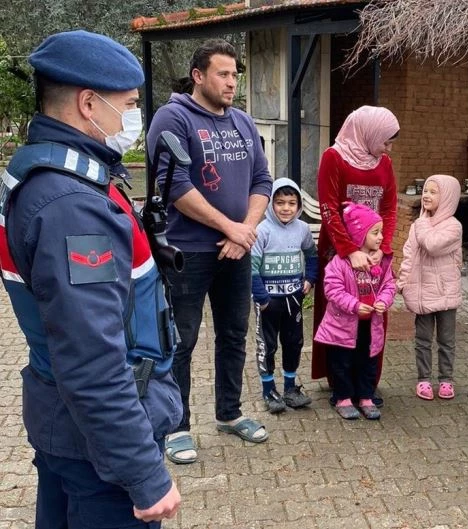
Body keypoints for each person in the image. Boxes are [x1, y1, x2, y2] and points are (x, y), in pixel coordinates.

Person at [0, 30, 182, 526]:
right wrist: (143, 473)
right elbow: (92, 357)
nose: (133, 117)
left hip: (72, 432)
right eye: (129, 104)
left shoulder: (53, 175)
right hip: (100, 455)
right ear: (88, 104)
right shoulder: (72, 207)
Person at [147, 38, 272, 464]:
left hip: (235, 251)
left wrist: (245, 231)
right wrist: (231, 228)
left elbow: (262, 181)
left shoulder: (242, 122)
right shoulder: (173, 117)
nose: (232, 81)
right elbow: (176, 187)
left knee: (233, 333)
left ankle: (229, 413)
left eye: (235, 74)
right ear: (198, 76)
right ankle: (175, 427)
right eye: (223, 73)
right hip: (187, 252)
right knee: (180, 341)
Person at [311, 106, 400, 408]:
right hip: (339, 251)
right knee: (341, 313)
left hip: (374, 254)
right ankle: (340, 384)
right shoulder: (333, 158)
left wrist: (382, 248)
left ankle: (366, 384)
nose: (388, 149)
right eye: (386, 141)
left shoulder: (384, 163)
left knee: (373, 315)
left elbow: (389, 208)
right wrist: (349, 251)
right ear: (369, 132)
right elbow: (328, 208)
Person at [314, 203, 396, 420]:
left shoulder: (383, 261)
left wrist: (383, 301)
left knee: (367, 359)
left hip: (371, 324)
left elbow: (389, 285)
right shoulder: (339, 263)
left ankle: (366, 396)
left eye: (380, 232)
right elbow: (332, 289)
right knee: (341, 362)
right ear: (359, 233)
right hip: (343, 325)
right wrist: (354, 305)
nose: (380, 237)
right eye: (375, 232)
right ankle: (343, 398)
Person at [251, 178, 318, 413]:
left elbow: (311, 255)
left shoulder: (302, 229)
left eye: (291, 203)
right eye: (280, 203)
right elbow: (251, 268)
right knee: (267, 347)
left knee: (293, 343)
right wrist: (262, 299)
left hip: (294, 301)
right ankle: (269, 391)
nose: (286, 208)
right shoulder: (262, 231)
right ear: (271, 204)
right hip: (269, 303)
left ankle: (290, 388)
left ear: (298, 205)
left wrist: (310, 279)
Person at [397, 174, 463, 400]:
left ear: (447, 198)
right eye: (425, 190)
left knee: (446, 340)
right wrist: (403, 282)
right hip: (422, 293)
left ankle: (446, 380)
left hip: (445, 294)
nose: (426, 195)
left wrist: (422, 223)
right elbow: (409, 255)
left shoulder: (454, 227)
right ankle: (423, 379)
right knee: (423, 340)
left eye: (434, 192)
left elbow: (432, 245)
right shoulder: (418, 225)